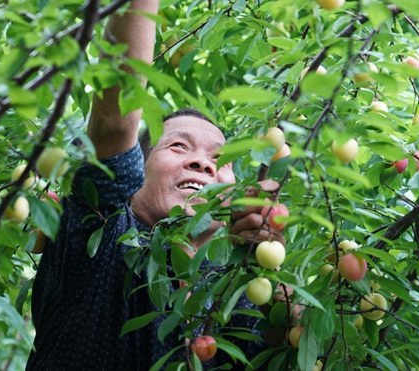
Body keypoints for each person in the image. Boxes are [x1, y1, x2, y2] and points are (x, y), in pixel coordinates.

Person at [25, 1, 285, 369]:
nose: (202, 162)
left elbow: (288, 349)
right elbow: (115, 123)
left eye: (220, 159)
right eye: (178, 146)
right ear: (133, 173)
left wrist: (267, 274)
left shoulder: (235, 295)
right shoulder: (102, 232)